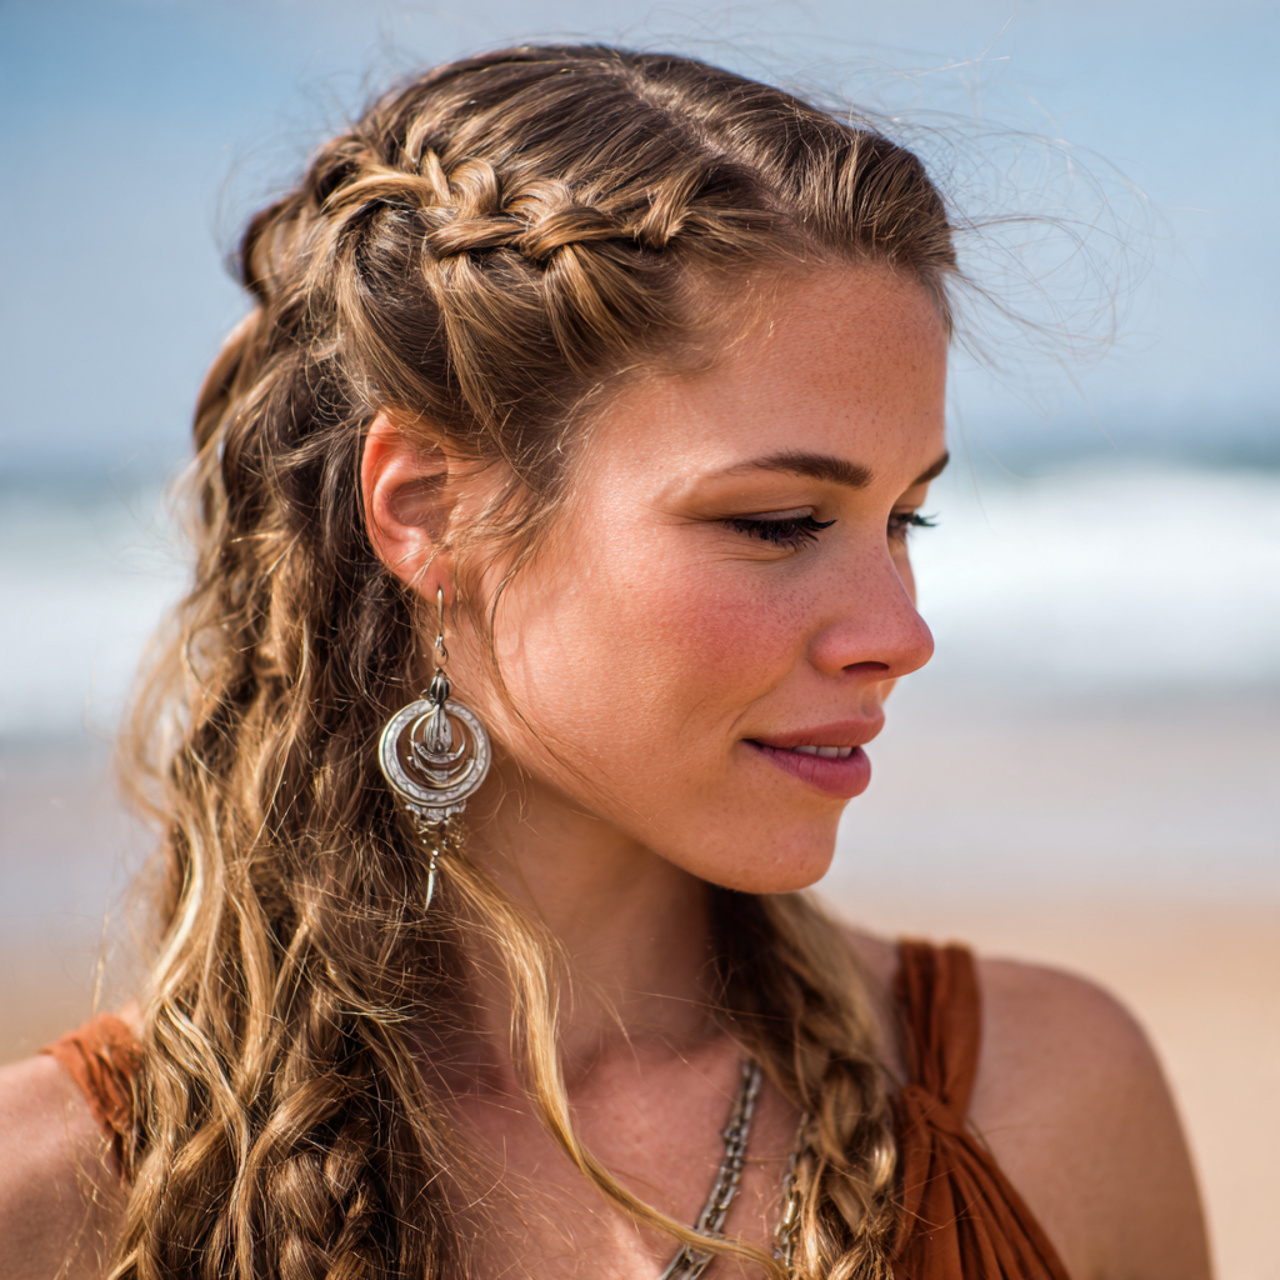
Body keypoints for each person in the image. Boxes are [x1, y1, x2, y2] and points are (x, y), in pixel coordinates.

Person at [0, 44, 1211, 1280]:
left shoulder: (1045, 1101)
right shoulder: (49, 1203)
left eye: (905, 518)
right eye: (778, 522)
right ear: (429, 511)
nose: (900, 633)